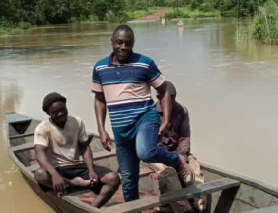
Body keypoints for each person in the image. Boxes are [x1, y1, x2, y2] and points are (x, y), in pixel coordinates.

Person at [92, 24, 194, 203]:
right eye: (119, 43)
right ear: (112, 42)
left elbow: (164, 90)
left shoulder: (145, 63)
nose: (123, 47)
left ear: (133, 44)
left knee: (145, 152)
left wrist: (166, 119)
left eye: (128, 44)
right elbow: (100, 99)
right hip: (120, 129)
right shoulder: (100, 68)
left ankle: (177, 161)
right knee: (129, 178)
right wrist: (101, 129)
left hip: (144, 118)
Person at [33, 92, 120, 208]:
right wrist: (54, 174)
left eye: (63, 109)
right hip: (57, 168)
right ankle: (73, 183)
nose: (60, 114)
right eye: (55, 112)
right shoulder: (42, 128)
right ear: (48, 113)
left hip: (77, 166)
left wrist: (91, 170)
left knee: (113, 178)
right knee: (40, 175)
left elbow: (84, 147)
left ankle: (92, 209)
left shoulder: (77, 121)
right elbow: (39, 154)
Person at [154, 81, 207, 212]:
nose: (168, 101)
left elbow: (184, 137)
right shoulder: (151, 112)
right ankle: (178, 207)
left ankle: (199, 203)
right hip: (157, 154)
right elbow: (152, 143)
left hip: (178, 152)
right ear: (158, 98)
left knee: (195, 170)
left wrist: (181, 157)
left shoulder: (182, 110)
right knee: (168, 174)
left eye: (171, 98)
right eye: (164, 98)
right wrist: (170, 159)